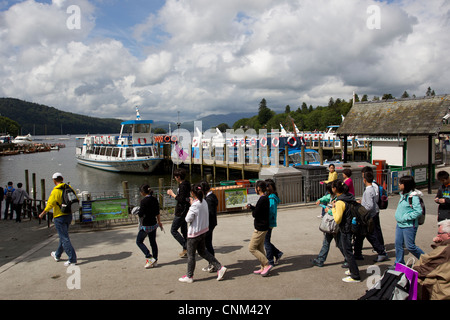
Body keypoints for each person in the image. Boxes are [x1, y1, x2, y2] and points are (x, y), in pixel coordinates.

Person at [178, 183, 227, 283]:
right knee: (203, 252)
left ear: (192, 193)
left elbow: (188, 219)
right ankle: (219, 267)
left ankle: (189, 276)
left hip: (194, 233)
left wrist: (191, 206)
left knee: (191, 255)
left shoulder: (195, 205)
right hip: (203, 231)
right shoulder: (204, 201)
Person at [39, 173, 77, 266]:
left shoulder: (55, 191)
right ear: (62, 178)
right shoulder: (69, 188)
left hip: (59, 217)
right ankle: (57, 254)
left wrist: (42, 213)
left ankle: (72, 259)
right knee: (63, 236)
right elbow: (76, 199)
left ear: (54, 181)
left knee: (64, 238)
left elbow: (50, 204)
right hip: (68, 215)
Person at [354, 171, 388, 262]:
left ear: (364, 179)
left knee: (371, 236)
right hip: (369, 215)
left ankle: (381, 252)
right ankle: (357, 253)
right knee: (361, 236)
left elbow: (369, 205)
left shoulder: (368, 191)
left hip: (367, 216)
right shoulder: (372, 188)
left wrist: (361, 208)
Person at [331, 179, 361, 282]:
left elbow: (338, 219)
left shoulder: (340, 201)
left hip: (345, 228)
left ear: (335, 189)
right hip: (351, 226)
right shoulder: (348, 197)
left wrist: (333, 209)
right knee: (348, 250)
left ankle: (355, 275)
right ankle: (351, 269)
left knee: (348, 251)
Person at [413, 219, 450, 300]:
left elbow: (425, 268)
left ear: (448, 235)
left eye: (440, 233)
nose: (438, 235)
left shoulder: (445, 251)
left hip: (443, 293)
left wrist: (411, 271)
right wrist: (441, 243)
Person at [312, 183, 346, 268]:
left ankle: (348, 259)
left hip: (336, 224)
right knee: (326, 242)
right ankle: (320, 260)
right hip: (330, 224)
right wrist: (320, 200)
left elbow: (338, 211)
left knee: (340, 243)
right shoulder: (331, 196)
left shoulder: (339, 199)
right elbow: (325, 198)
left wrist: (329, 211)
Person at [394, 175, 424, 266]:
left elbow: (418, 211)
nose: (399, 184)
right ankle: (398, 263)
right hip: (400, 224)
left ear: (405, 184)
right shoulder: (403, 195)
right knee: (398, 245)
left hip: (409, 226)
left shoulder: (413, 197)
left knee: (410, 246)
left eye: (401, 183)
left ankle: (426, 259)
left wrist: (405, 217)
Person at [247, 180, 272, 277]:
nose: (255, 189)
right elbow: (259, 211)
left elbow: (255, 214)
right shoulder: (264, 198)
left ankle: (266, 263)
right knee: (260, 247)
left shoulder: (262, 199)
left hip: (260, 227)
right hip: (263, 226)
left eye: (255, 188)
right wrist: (253, 207)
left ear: (258, 188)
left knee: (252, 248)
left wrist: (253, 210)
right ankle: (263, 267)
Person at [136, 184, 162, 269]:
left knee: (139, 241)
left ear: (143, 192)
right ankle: (155, 260)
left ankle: (149, 256)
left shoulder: (143, 201)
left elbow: (141, 214)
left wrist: (137, 212)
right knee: (153, 242)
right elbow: (157, 211)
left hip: (146, 225)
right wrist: (159, 222)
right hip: (154, 223)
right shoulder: (154, 199)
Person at [167, 168, 190, 258]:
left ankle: (186, 246)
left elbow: (181, 199)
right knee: (184, 230)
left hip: (181, 211)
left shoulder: (183, 186)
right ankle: (186, 249)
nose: (175, 179)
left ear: (179, 177)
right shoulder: (186, 184)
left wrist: (172, 194)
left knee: (173, 230)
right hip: (185, 210)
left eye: (176, 177)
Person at [200, 180, 219, 272]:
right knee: (208, 244)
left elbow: (210, 213)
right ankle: (212, 263)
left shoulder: (209, 199)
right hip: (211, 223)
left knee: (207, 245)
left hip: (209, 224)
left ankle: (213, 263)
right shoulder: (212, 197)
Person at [264, 179, 283, 267]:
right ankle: (277, 253)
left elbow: (271, 211)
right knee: (266, 241)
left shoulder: (271, 197)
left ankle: (270, 260)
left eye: (267, 186)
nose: (266, 187)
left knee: (266, 242)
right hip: (269, 222)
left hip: (269, 222)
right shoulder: (269, 196)